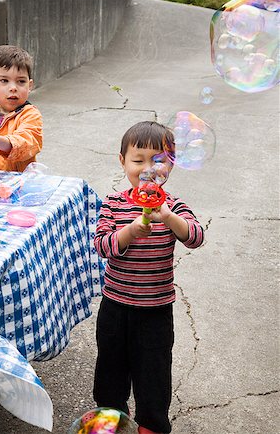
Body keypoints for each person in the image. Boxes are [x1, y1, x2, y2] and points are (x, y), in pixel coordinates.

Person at [93, 121, 204, 434]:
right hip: (115, 307)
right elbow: (102, 245)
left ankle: (152, 425)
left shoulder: (175, 206)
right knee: (110, 371)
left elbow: (196, 236)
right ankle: (112, 417)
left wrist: (168, 217)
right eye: (137, 160)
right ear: (122, 161)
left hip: (155, 311)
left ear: (171, 163)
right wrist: (129, 231)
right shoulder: (113, 204)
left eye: (158, 160)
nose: (147, 168)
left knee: (153, 375)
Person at [0, 44, 43, 171]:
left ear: (29, 85)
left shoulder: (30, 115)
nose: (13, 88)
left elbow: (27, 143)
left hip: (18, 185)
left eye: (21, 81)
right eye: (4, 80)